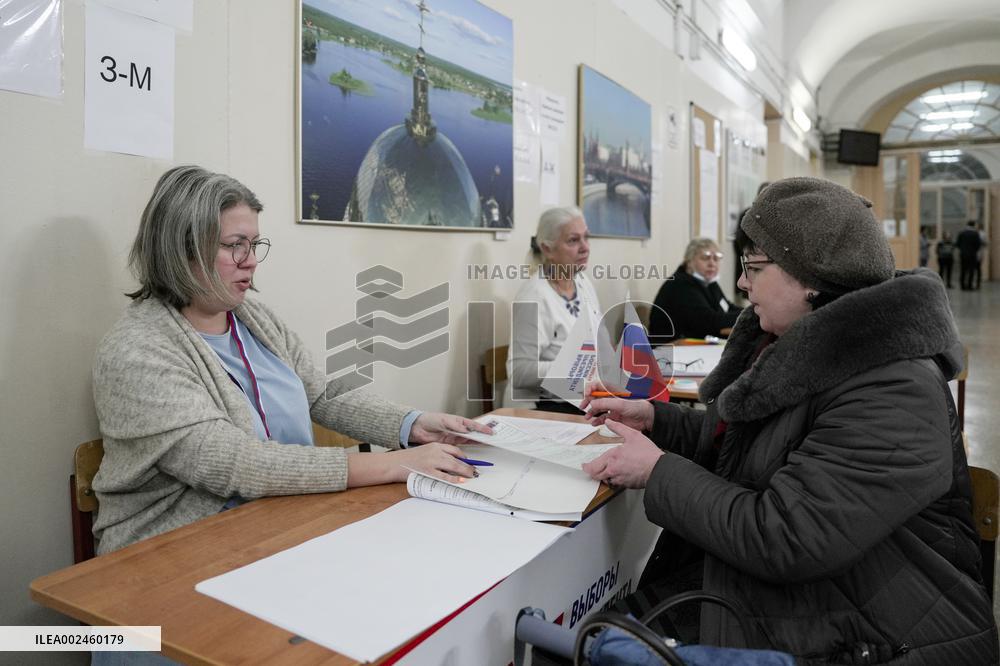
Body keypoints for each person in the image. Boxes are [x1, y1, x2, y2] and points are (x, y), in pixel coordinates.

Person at [580, 178, 998, 663]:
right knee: (605, 631)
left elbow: (786, 537)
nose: (740, 283)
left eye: (754, 267)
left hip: (876, 631)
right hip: (819, 595)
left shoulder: (892, 387)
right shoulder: (805, 348)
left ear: (814, 279)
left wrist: (656, 471)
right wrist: (659, 421)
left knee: (603, 641)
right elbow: (755, 451)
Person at [91, 166, 490, 556]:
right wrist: (395, 465)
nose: (251, 261)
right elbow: (233, 463)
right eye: (234, 245)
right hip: (169, 553)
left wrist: (412, 425)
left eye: (255, 244)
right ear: (182, 248)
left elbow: (322, 395)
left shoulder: (254, 319)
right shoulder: (136, 350)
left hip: (276, 523)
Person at [506, 206, 601, 413]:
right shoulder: (534, 297)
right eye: (573, 240)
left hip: (582, 396)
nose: (585, 248)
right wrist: (580, 367)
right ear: (547, 249)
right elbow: (519, 372)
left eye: (586, 237)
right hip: (542, 408)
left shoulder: (583, 282)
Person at [649, 238, 741, 344]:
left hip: (696, 343)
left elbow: (727, 308)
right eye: (705, 258)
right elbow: (711, 322)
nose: (712, 263)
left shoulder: (709, 282)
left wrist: (754, 312)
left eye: (716, 259)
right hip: (671, 350)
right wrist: (751, 315)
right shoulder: (681, 285)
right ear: (689, 261)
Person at [957, 220, 983, 291]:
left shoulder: (962, 233)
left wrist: (963, 249)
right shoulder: (975, 234)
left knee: (963, 270)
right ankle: (969, 285)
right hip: (972, 255)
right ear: (974, 225)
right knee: (971, 270)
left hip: (963, 254)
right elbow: (978, 245)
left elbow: (958, 244)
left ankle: (962, 285)